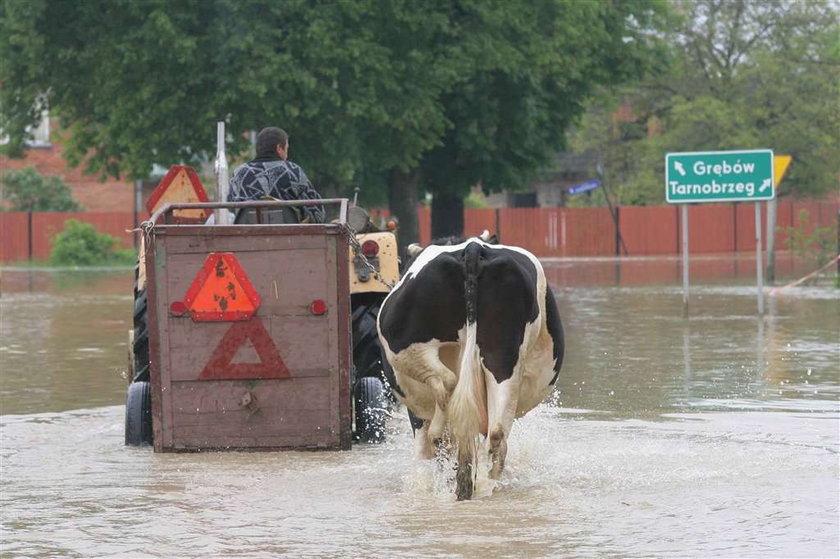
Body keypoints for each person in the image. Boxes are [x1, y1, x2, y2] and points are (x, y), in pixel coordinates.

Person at [229, 127, 325, 223]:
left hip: (247, 236)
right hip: (289, 236)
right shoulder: (293, 171)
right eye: (286, 149)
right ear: (279, 148)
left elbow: (230, 209)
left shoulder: (238, 174)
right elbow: (318, 214)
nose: (287, 155)